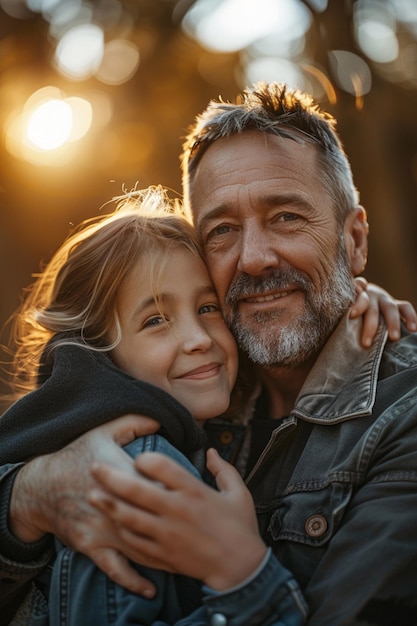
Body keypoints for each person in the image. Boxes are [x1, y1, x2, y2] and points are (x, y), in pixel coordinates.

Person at [1, 83, 417, 625]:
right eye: (221, 230)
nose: (254, 259)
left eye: (287, 216)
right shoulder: (181, 396)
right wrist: (26, 499)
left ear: (354, 241)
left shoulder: (402, 417)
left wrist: (242, 571)